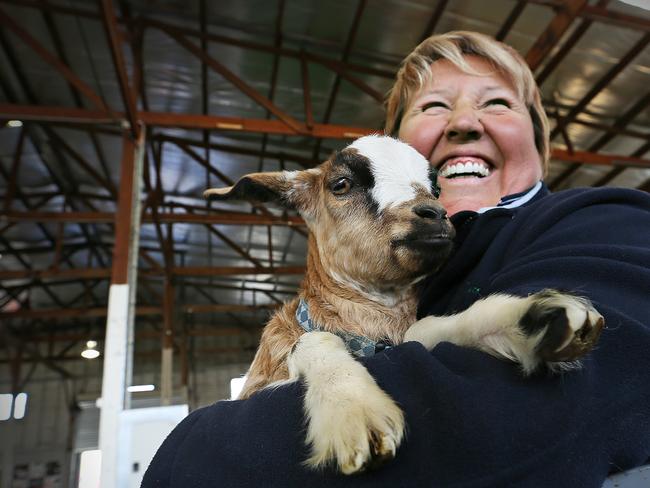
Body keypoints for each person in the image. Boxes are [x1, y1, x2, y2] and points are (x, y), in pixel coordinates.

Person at [142, 31, 650, 487]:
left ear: (539, 144)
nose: (464, 123)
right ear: (398, 151)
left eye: (497, 103)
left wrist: (187, 448)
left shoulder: (603, 221)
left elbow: (515, 428)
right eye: (432, 107)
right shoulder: (416, 278)